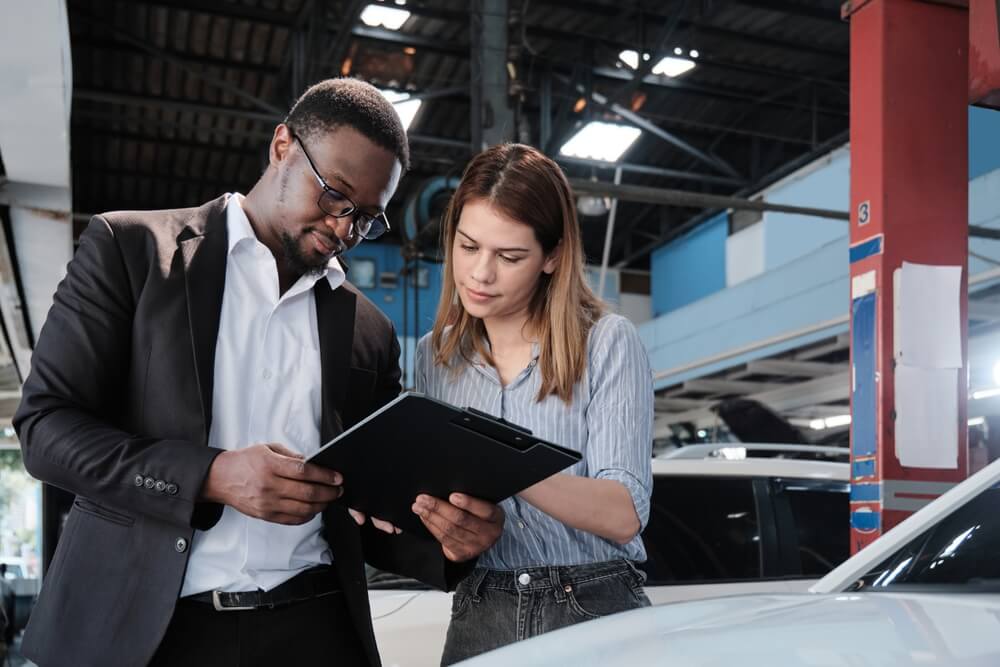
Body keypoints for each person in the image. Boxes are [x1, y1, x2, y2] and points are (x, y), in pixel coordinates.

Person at [13, 78, 503, 667]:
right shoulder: (133, 251)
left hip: (316, 630)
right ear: (281, 147)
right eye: (334, 196)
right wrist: (211, 475)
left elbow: (369, 507)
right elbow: (45, 430)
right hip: (146, 634)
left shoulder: (367, 330)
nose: (346, 229)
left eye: (367, 218)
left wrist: (450, 540)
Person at [415, 143, 654, 665]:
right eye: (468, 246)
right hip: (481, 606)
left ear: (552, 256)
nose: (480, 273)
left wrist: (504, 461)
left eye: (509, 256)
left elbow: (624, 512)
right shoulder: (434, 357)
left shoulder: (606, 342)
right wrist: (451, 536)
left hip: (594, 605)